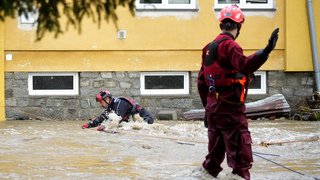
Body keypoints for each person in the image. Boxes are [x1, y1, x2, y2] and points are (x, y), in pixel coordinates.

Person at [197, 5, 279, 180]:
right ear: (239, 25)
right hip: (230, 111)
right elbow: (244, 65)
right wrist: (265, 52)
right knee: (241, 162)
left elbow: (201, 81)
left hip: (213, 110)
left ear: (221, 25)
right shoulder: (231, 46)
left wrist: (207, 109)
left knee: (212, 161)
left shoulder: (208, 48)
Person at [82, 90, 154, 130]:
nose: (100, 105)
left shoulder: (119, 104)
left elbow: (117, 119)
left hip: (147, 119)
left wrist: (104, 126)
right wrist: (88, 125)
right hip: (133, 120)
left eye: (101, 102)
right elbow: (102, 118)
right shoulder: (111, 106)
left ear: (107, 99)